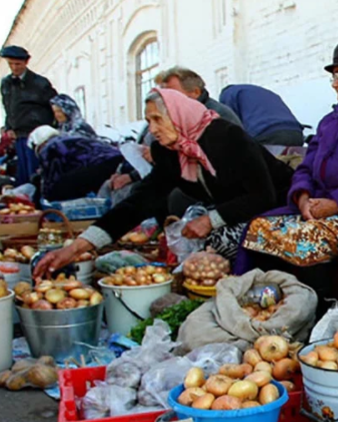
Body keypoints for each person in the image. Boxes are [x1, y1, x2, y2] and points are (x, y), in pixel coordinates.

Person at [35, 87, 293, 275]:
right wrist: (77, 246)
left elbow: (263, 195)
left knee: (218, 240)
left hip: (278, 205)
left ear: (179, 115)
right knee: (197, 244)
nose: (153, 128)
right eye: (149, 121)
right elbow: (140, 202)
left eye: (158, 119)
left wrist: (210, 220)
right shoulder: (169, 152)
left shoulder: (227, 136)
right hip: (238, 209)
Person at [234, 43, 338, 306]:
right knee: (258, 228)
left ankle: (316, 311)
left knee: (305, 241)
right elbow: (306, 165)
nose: (335, 85)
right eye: (333, 78)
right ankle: (261, 306)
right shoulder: (330, 120)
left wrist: (336, 203)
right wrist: (303, 197)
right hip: (316, 206)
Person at [1, 45, 57, 187]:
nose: (14, 67)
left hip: (38, 137)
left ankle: (41, 205)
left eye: (18, 64)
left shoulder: (40, 83)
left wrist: (50, 132)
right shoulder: (6, 84)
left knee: (37, 174)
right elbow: (8, 107)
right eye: (11, 64)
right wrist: (9, 128)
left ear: (26, 62)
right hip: (19, 136)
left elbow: (54, 106)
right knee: (24, 174)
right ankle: (28, 206)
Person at [29, 125, 122, 201]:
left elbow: (51, 180)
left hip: (99, 165)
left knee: (57, 190)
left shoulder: (50, 147)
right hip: (117, 161)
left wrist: (39, 198)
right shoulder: (68, 138)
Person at [218, 84, 305, 152]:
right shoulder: (256, 91)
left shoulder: (228, 94)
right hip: (296, 132)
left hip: (267, 133)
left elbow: (231, 122)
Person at [155, 67, 241, 126]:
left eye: (172, 93)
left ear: (195, 92)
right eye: (163, 94)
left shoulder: (218, 116)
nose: (165, 98)